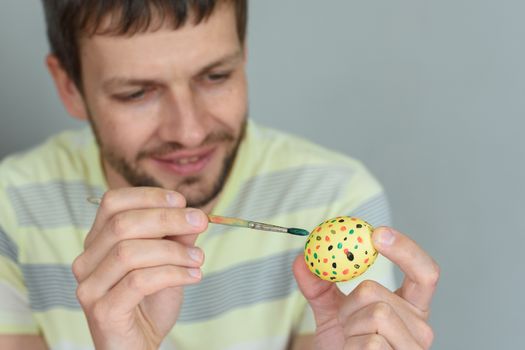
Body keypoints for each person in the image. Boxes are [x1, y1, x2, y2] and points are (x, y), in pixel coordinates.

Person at [0, 0, 439, 349]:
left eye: (216, 75)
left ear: (243, 57)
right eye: (137, 93)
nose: (188, 131)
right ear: (69, 87)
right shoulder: (10, 209)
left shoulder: (334, 198)